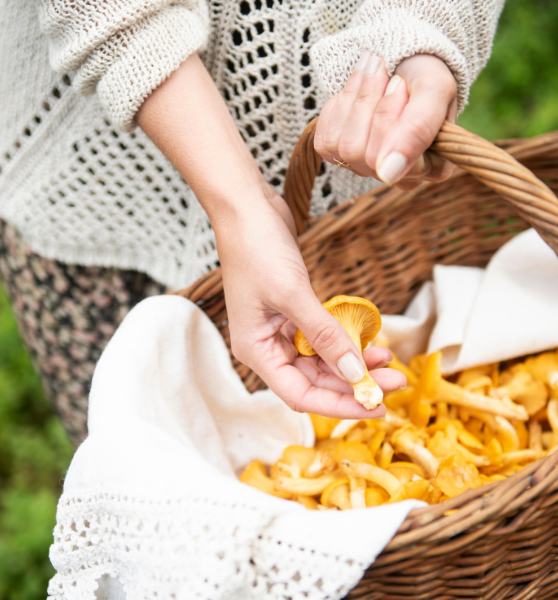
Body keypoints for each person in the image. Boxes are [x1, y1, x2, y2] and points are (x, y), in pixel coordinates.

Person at [0, 0, 504, 445]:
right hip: (91, 193)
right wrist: (241, 208)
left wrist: (417, 39)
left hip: (338, 215)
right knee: (135, 446)